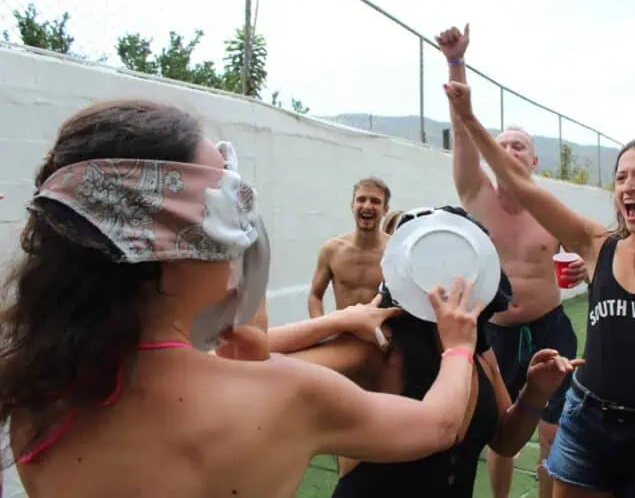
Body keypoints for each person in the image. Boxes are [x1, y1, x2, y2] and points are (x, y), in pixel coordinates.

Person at [0, 100, 493, 497]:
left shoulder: (36, 395)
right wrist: (456, 345)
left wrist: (334, 322)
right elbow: (438, 425)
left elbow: (205, 355)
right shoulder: (285, 395)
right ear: (177, 242)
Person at [445, 80, 635, 496]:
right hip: (587, 424)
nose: (627, 185)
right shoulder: (595, 244)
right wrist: (467, 119)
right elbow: (522, 186)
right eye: (621, 176)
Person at [270, 205, 583, 497]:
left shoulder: (476, 345)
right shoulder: (379, 347)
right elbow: (252, 365)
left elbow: (505, 440)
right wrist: (338, 319)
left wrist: (535, 392)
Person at [436, 24, 587, 498]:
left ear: (535, 160)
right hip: (495, 330)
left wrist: (584, 267)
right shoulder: (476, 195)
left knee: (552, 433)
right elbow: (463, 137)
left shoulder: (549, 209)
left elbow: (592, 249)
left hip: (551, 327)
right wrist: (455, 62)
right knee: (498, 434)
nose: (509, 149)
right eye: (501, 144)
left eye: (519, 144)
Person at [309, 177, 391, 317]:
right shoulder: (331, 250)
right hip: (343, 335)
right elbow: (315, 296)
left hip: (382, 336)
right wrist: (321, 333)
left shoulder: (396, 252)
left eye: (375, 201)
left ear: (385, 210)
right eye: (361, 199)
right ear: (352, 205)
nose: (367, 206)